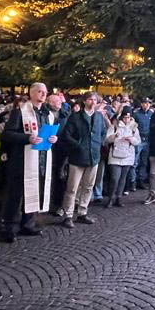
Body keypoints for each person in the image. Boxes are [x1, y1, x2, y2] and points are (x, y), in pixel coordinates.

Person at [0, 83, 59, 241]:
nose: (42, 94)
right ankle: (9, 228)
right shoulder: (19, 112)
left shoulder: (48, 114)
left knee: (33, 192)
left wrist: (54, 138)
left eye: (45, 92)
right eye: (39, 91)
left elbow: (49, 134)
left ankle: (27, 224)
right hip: (21, 160)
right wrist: (27, 138)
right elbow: (7, 134)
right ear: (32, 93)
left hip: (40, 159)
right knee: (16, 195)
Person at [58, 92, 108, 227]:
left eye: (95, 100)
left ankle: (82, 212)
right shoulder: (75, 117)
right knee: (72, 188)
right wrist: (78, 145)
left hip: (94, 156)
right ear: (85, 101)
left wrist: (98, 144)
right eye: (90, 99)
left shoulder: (98, 117)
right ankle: (68, 215)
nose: (93, 102)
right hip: (78, 157)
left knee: (88, 187)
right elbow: (66, 135)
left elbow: (103, 132)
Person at [104, 106, 140, 208]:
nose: (126, 120)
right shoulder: (114, 126)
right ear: (121, 117)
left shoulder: (134, 127)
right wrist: (114, 136)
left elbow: (138, 141)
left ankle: (118, 197)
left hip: (128, 155)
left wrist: (131, 139)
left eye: (128, 117)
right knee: (115, 178)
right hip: (115, 155)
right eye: (125, 117)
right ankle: (111, 197)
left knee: (123, 179)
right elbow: (106, 140)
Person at [131, 98, 153, 191]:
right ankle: (133, 181)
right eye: (145, 103)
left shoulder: (151, 114)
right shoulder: (136, 114)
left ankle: (141, 180)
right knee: (135, 162)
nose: (147, 105)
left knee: (144, 162)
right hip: (138, 140)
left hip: (147, 141)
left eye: (148, 103)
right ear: (141, 104)